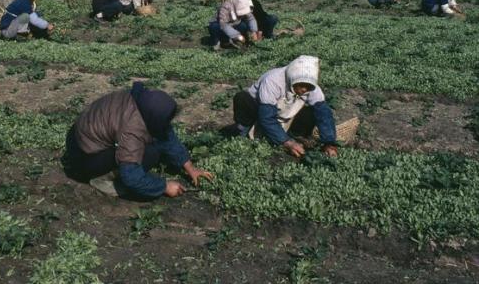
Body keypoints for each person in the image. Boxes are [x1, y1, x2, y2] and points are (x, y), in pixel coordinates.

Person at [63, 81, 213, 199]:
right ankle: (104, 180)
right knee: (150, 155)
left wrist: (189, 167)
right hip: (83, 157)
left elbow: (165, 134)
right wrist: (164, 187)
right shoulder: (132, 128)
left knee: (153, 143)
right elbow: (131, 177)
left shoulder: (140, 99)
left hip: (80, 137)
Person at [232, 55, 338, 159]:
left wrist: (329, 143)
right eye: (301, 85)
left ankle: (296, 136)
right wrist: (286, 142)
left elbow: (324, 114)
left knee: (313, 112)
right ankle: (243, 134)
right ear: (292, 79)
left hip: (284, 115)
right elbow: (266, 117)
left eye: (308, 86)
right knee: (242, 98)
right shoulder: (273, 81)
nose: (305, 89)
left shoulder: (312, 87)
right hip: (259, 112)